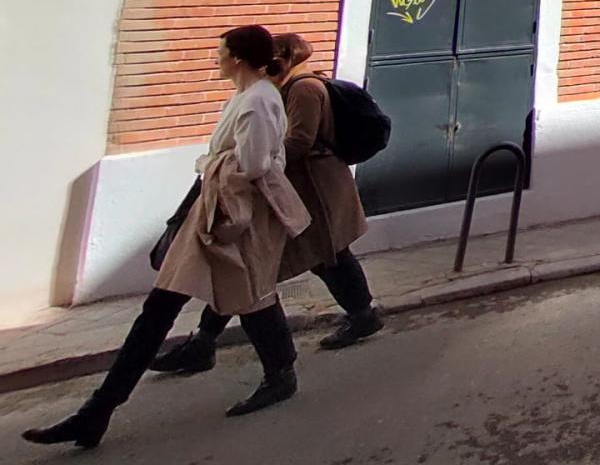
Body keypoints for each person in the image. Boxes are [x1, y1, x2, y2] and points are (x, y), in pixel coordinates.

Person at [24, 25, 310, 449]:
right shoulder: (248, 96)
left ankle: (280, 373)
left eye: (221, 51)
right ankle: (97, 412)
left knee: (248, 297)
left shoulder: (258, 101)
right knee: (171, 306)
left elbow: (252, 166)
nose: (216, 58)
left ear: (237, 59)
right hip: (217, 211)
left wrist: (210, 164)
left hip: (236, 217)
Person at [151, 33, 381, 373]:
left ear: (286, 56)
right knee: (255, 268)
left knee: (310, 260)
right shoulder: (283, 88)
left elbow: (299, 141)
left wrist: (263, 160)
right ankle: (206, 341)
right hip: (296, 189)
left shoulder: (304, 88)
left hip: (313, 191)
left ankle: (360, 317)